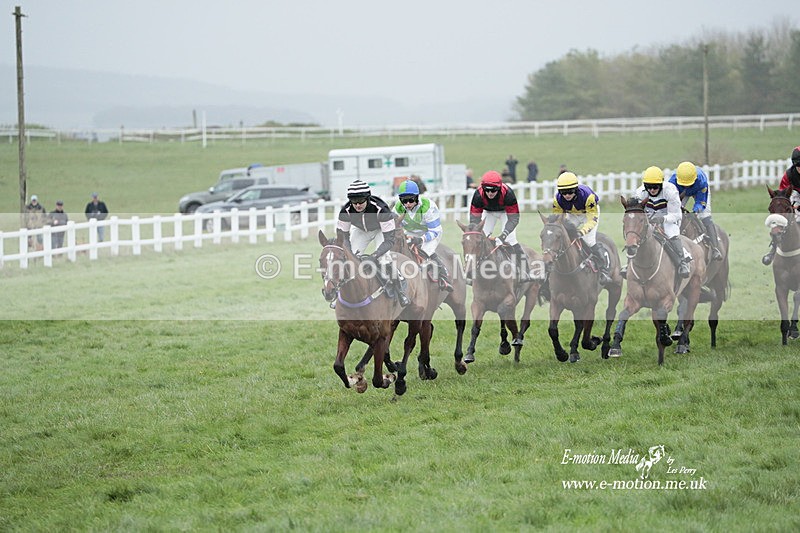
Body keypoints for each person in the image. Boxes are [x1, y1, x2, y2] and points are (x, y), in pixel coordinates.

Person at [336, 179, 409, 306]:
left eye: (361, 202)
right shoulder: (345, 211)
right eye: (354, 202)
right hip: (361, 230)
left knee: (383, 259)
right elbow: (343, 238)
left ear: (367, 199)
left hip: (381, 230)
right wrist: (350, 253)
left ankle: (400, 290)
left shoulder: (381, 209)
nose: (357, 205)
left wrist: (374, 256)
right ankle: (339, 295)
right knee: (347, 258)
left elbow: (389, 240)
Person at [469, 170, 531, 282]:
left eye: (493, 190)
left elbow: (514, 218)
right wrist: (477, 234)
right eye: (487, 190)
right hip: (488, 212)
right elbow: (474, 219)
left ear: (499, 188)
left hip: (505, 213)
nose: (490, 193)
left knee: (510, 239)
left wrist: (503, 235)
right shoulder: (478, 195)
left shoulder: (508, 194)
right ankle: (472, 270)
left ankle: (525, 270)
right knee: (479, 240)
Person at [552, 172, 612, 285]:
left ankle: (604, 268)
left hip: (588, 215)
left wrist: (582, 231)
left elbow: (592, 219)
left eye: (570, 191)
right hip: (573, 215)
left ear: (575, 189)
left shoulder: (588, 196)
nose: (567, 195)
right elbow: (558, 220)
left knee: (589, 240)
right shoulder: (557, 199)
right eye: (563, 192)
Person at [393, 180, 453, 292]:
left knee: (426, 250)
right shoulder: (397, 208)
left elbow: (434, 230)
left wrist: (420, 239)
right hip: (410, 232)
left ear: (417, 197)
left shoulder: (428, 206)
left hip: (430, 232)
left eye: (411, 200)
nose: (407, 204)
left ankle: (444, 277)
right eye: (404, 201)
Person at [632, 166, 691, 278]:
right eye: (649, 187)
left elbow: (677, 215)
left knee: (671, 232)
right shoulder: (640, 193)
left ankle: (682, 262)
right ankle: (630, 263)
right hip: (649, 220)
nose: (652, 190)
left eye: (655, 187)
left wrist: (662, 219)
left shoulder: (670, 191)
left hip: (669, 219)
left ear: (661, 184)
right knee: (637, 235)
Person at [668, 162, 723, 262]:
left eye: (688, 184)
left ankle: (715, 248)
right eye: (683, 184)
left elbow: (701, 202)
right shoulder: (672, 182)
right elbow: (671, 201)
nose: (686, 186)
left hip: (698, 190)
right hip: (680, 193)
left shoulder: (701, 181)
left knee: (705, 216)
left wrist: (695, 211)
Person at [763, 146, 800, 264]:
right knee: (784, 220)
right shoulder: (788, 175)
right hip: (796, 196)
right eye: (798, 167)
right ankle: (773, 250)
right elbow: (782, 197)